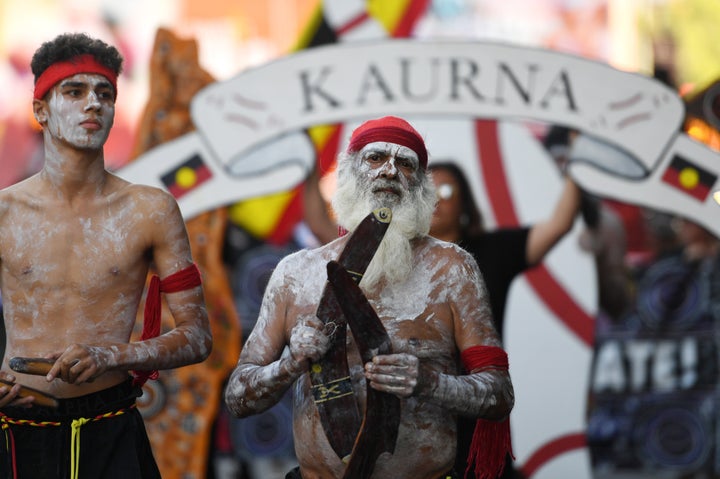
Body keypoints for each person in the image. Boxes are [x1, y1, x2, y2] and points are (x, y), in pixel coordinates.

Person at [224, 116, 514, 479]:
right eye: (376, 158)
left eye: (406, 163)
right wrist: (292, 363)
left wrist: (428, 382)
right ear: (348, 174)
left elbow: (499, 394)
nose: (390, 171)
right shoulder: (296, 273)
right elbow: (238, 396)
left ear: (422, 187)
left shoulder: (453, 270)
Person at [0, 33, 212, 478]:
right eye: (73, 92)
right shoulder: (5, 212)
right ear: (41, 109)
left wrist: (112, 355)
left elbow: (197, 337)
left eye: (105, 93)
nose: (93, 104)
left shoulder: (150, 210)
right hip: (17, 428)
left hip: (109, 427)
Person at [428, 145, 582, 478]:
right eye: (428, 191)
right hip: (421, 402)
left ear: (465, 202)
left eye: (446, 190)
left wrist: (583, 162)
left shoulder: (493, 250)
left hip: (481, 403)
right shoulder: (400, 258)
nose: (437, 200)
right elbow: (327, 233)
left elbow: (558, 224)